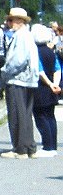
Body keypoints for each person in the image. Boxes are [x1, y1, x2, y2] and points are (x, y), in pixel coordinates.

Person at [0, 7, 39, 159]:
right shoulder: (27, 35)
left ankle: (20, 149)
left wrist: (4, 72)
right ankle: (29, 147)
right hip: (28, 80)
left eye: (11, 20)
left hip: (18, 80)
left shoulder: (21, 36)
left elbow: (18, 60)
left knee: (16, 114)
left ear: (20, 21)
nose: (8, 23)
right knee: (26, 114)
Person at [31, 23, 61, 157]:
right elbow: (58, 68)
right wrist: (55, 84)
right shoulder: (50, 51)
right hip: (52, 90)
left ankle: (47, 147)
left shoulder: (35, 52)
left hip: (40, 88)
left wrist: (49, 84)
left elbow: (39, 70)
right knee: (50, 116)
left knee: (41, 117)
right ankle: (53, 146)